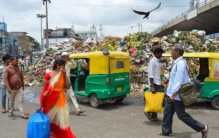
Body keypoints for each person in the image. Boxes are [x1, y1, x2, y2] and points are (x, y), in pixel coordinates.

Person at [161, 45, 208, 138]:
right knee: (167, 112)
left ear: (177, 52)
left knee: (181, 115)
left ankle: (202, 127)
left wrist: (174, 93)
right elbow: (175, 77)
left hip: (176, 95)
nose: (171, 53)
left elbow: (179, 80)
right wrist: (169, 81)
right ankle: (166, 131)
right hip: (170, 93)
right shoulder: (177, 62)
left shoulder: (181, 63)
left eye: (172, 51)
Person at [40, 58, 76, 138]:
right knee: (51, 119)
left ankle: (60, 135)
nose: (62, 67)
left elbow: (68, 86)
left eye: (63, 65)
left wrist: (65, 74)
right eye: (61, 65)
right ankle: (51, 134)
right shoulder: (49, 74)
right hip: (50, 100)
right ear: (56, 65)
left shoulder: (63, 74)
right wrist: (42, 102)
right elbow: (44, 88)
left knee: (61, 120)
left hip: (60, 99)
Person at [147, 46, 164, 121]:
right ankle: (149, 112)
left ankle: (153, 115)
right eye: (160, 53)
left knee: (157, 100)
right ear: (157, 53)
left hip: (159, 82)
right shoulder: (152, 61)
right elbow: (151, 74)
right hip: (155, 83)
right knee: (155, 100)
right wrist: (152, 86)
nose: (161, 55)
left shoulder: (158, 61)